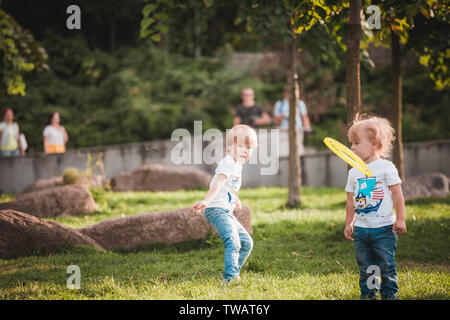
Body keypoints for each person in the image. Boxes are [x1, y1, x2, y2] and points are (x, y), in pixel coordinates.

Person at [344, 114, 407, 300]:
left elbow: (397, 194)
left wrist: (401, 218)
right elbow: (350, 201)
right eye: (351, 143)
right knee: (367, 267)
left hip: (384, 229)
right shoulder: (353, 172)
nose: (351, 147)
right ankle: (369, 295)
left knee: (386, 265)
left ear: (374, 144)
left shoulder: (386, 167)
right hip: (362, 231)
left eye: (356, 143)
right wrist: (349, 223)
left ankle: (389, 295)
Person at [192, 125, 257, 283]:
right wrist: (206, 201)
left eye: (249, 147)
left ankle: (233, 272)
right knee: (233, 242)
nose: (245, 150)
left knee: (247, 243)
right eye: (240, 146)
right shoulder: (228, 162)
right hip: (216, 209)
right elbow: (218, 183)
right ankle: (230, 278)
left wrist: (234, 198)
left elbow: (229, 186)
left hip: (225, 210)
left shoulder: (237, 165)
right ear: (229, 147)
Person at [273, 87, 312, 155]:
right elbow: (275, 120)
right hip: (284, 131)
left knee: (299, 150)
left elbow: (304, 117)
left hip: (298, 130)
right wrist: (283, 115)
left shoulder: (300, 103)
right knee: (284, 150)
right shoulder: (280, 104)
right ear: (285, 93)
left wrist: (308, 128)